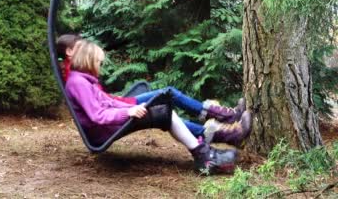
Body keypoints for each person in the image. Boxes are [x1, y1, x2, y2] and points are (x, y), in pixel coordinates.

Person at [66, 39, 251, 173]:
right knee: (165, 111)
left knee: (165, 108)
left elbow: (107, 102)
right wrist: (127, 111)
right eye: (99, 62)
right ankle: (208, 152)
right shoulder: (79, 83)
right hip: (105, 130)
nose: (100, 66)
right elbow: (97, 115)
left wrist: (126, 105)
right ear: (89, 60)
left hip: (111, 121)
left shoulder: (85, 81)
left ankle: (218, 140)